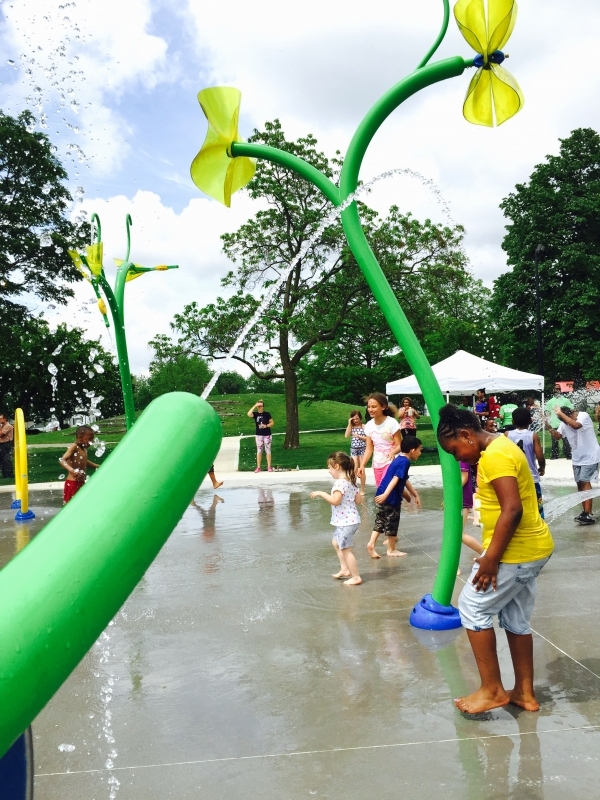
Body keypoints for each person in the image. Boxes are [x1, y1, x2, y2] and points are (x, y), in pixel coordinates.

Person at [437, 405, 554, 715]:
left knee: (472, 607)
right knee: (516, 618)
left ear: (465, 434)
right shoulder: (500, 447)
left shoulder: (496, 456)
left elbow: (512, 509)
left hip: (517, 553)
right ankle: (524, 694)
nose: (456, 457)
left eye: (455, 450)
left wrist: (490, 559)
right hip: (529, 550)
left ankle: (492, 689)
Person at [310, 451, 363, 586]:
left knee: (346, 549)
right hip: (350, 520)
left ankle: (356, 577)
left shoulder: (340, 483)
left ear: (337, 466)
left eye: (329, 467)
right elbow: (358, 501)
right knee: (336, 542)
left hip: (347, 522)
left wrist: (322, 493)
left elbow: (336, 501)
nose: (329, 471)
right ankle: (345, 569)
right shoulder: (351, 482)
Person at [368, 436, 422, 559]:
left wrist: (414, 494)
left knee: (381, 519)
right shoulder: (405, 462)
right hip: (390, 496)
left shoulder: (399, 459)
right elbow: (396, 479)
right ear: (412, 450)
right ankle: (391, 550)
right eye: (420, 449)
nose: (420, 452)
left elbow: (404, 479)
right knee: (392, 522)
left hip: (382, 492)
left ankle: (371, 544)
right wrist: (386, 495)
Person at [548, 406, 600, 525]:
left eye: (565, 419)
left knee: (585, 481)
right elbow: (557, 436)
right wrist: (548, 425)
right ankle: (585, 512)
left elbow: (576, 425)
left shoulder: (583, 416)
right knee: (579, 483)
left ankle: (587, 513)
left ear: (571, 413)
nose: (565, 423)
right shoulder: (565, 421)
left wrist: (561, 414)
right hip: (577, 457)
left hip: (590, 455)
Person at [506, 407, 546, 518]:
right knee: (537, 507)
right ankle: (539, 526)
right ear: (530, 420)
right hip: (531, 478)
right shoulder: (532, 435)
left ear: (513, 422)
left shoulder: (507, 435)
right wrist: (542, 468)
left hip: (513, 477)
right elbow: (540, 457)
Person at [358, 393, 401, 487]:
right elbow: (369, 449)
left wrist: (393, 452)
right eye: (368, 407)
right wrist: (362, 465)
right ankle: (406, 494)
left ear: (383, 407)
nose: (370, 409)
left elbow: (400, 445)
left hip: (391, 462)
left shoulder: (391, 423)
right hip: (377, 464)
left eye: (374, 406)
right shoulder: (369, 426)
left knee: (385, 489)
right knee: (381, 489)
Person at [59, 425, 100, 504]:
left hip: (80, 482)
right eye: (90, 439)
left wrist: (98, 466)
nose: (92, 442)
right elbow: (62, 460)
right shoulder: (74, 447)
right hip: (72, 484)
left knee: (82, 505)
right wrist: (72, 471)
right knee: (71, 507)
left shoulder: (83, 448)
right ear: (80, 438)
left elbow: (85, 462)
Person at [460, 460, 484, 565]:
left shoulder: (461, 459)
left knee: (458, 534)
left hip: (461, 499)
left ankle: (485, 554)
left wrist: (451, 495)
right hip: (460, 498)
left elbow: (464, 477)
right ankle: (485, 554)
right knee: (456, 534)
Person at [544, 386, 573, 460]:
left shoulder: (566, 400)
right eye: (556, 389)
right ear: (553, 390)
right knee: (554, 441)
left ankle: (568, 454)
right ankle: (554, 454)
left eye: (559, 389)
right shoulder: (550, 401)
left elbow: (570, 410)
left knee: (566, 440)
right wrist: (547, 421)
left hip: (564, 423)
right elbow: (547, 412)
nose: (558, 390)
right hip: (554, 423)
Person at [247, 400, 274, 473]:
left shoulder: (267, 414)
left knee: (268, 450)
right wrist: (255, 405)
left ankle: (269, 466)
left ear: (263, 406)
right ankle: (258, 467)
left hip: (267, 434)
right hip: (259, 434)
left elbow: (272, 423)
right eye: (258, 406)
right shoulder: (255, 414)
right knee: (259, 450)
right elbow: (249, 414)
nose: (259, 407)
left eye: (261, 406)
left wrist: (266, 426)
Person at [345, 410, 367, 494]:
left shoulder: (364, 426)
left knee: (362, 469)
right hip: (354, 449)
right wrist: (349, 424)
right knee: (354, 468)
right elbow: (346, 435)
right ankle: (352, 487)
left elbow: (367, 439)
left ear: (360, 418)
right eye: (353, 419)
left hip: (362, 449)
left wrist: (358, 436)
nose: (356, 421)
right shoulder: (351, 427)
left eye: (357, 418)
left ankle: (362, 489)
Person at [0, 412, 14, 479]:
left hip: (6, 444)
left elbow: (1, 434)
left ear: (5, 419)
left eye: (1, 419)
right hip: (2, 444)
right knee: (2, 459)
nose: (0, 420)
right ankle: (4, 474)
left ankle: (9, 474)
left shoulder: (8, 426)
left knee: (6, 459)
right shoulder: (2, 426)